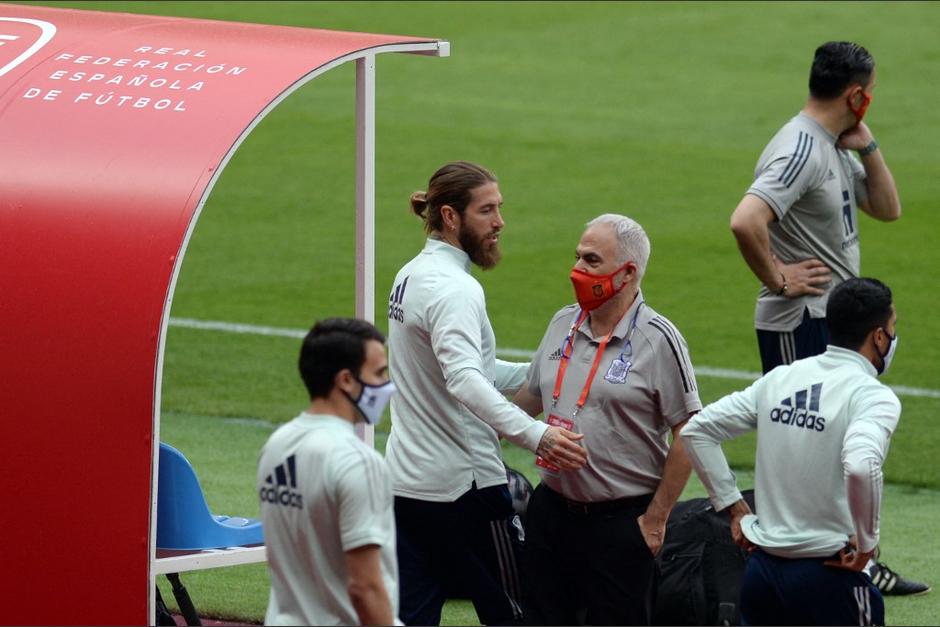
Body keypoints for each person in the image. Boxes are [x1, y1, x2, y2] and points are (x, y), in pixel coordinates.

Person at [728, 40, 925, 596]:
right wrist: (779, 278)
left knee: (836, 443)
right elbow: (745, 220)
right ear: (857, 95)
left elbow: (887, 208)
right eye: (872, 92)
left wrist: (869, 147)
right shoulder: (800, 150)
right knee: (801, 444)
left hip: (829, 319)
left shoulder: (830, 144)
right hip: (799, 319)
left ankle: (851, 552)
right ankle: (786, 558)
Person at [385, 161, 588, 626]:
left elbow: (455, 366)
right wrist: (537, 435)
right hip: (466, 491)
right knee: (518, 613)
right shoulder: (457, 289)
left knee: (411, 617)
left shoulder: (410, 275)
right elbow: (463, 378)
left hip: (406, 486)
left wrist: (543, 374)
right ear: (450, 216)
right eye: (487, 210)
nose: (500, 222)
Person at [514, 213, 702, 625]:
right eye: (578, 256)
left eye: (591, 260)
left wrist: (656, 519)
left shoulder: (659, 339)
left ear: (628, 272)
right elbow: (530, 398)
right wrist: (475, 420)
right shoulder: (563, 322)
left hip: (621, 522)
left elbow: (690, 431)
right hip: (551, 513)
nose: (577, 269)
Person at [681, 277, 903, 625]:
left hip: (762, 574)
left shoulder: (781, 378)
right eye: (893, 327)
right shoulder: (873, 396)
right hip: (832, 574)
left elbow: (698, 430)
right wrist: (866, 543)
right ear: (878, 336)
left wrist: (734, 506)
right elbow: (862, 465)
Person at [257, 318, 399, 626]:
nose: (388, 386)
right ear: (346, 380)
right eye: (379, 373)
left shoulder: (275, 446)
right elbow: (364, 588)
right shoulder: (357, 461)